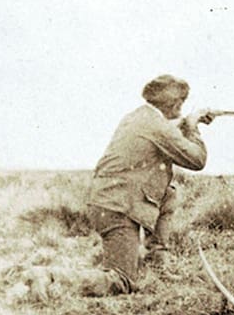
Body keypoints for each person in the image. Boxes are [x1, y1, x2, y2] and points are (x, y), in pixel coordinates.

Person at [26, 75, 215, 299]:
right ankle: (50, 277)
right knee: (121, 280)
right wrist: (192, 127)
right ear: (175, 104)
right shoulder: (158, 126)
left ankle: (157, 264)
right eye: (181, 104)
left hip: (108, 202)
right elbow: (196, 160)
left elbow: (164, 141)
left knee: (169, 193)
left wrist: (181, 127)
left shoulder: (137, 117)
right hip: (118, 210)